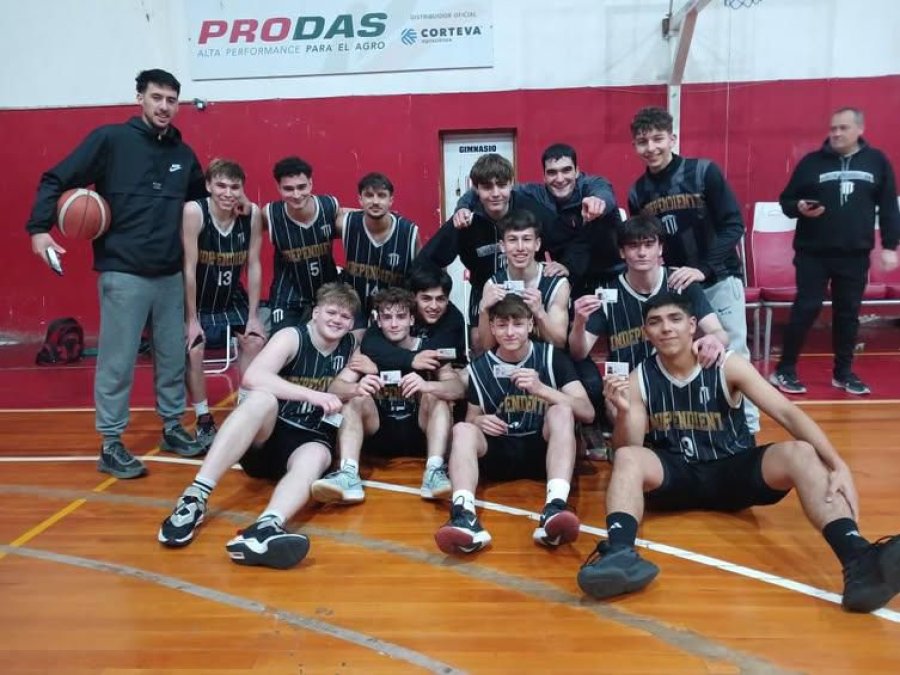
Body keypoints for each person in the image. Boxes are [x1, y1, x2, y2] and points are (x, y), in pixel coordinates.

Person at [576, 292, 900, 614]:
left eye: (675, 319)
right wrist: (621, 413)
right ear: (646, 332)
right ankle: (619, 555)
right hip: (677, 474)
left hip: (732, 470)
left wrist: (838, 464)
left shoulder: (726, 365)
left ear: (692, 326)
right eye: (655, 323)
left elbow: (787, 413)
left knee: (800, 452)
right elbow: (625, 451)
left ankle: (858, 559)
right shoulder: (638, 379)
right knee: (631, 458)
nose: (666, 329)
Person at [25, 68, 205, 479]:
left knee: (171, 356)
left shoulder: (182, 154)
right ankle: (110, 443)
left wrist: (239, 203)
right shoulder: (110, 140)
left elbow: (202, 201)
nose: (164, 106)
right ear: (140, 98)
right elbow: (55, 178)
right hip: (123, 271)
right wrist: (39, 230)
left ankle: (173, 426)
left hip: (169, 273)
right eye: (156, 97)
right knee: (117, 362)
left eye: (171, 100)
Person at [157, 283, 364, 569]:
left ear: (352, 323)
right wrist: (312, 394)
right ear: (315, 313)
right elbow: (252, 376)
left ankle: (266, 528)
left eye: (345, 317)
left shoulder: (351, 346)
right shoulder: (292, 337)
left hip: (309, 441)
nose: (337, 320)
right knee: (260, 399)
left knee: (318, 455)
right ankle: (195, 497)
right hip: (270, 436)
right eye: (331, 312)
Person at [627, 106, 759, 434]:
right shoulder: (637, 192)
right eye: (643, 141)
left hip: (718, 277)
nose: (651, 147)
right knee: (686, 356)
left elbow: (733, 225)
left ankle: (749, 428)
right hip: (677, 287)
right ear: (635, 146)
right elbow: (648, 241)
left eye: (658, 139)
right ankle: (700, 427)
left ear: (672, 138)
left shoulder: (703, 172)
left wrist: (702, 268)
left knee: (731, 354)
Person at [434, 295, 595, 554]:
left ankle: (555, 507)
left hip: (541, 451)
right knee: (462, 430)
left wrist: (541, 389)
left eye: (518, 324)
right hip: (500, 452)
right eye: (502, 325)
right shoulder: (479, 367)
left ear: (530, 325)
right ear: (493, 327)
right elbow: (471, 418)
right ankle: (464, 516)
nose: (510, 332)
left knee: (562, 412)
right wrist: (478, 420)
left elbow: (587, 412)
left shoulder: (552, 357)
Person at [770, 107, 900, 396]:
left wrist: (891, 246)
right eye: (833, 128)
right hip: (812, 253)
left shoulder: (877, 162)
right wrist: (799, 207)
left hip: (854, 254)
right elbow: (787, 200)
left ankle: (843, 373)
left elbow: (890, 206)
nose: (837, 133)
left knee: (848, 314)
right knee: (806, 308)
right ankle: (784, 370)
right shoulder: (811, 163)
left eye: (843, 128)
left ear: (859, 129)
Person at [569, 214, 728, 432]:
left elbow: (720, 333)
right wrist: (579, 322)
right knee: (622, 415)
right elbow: (579, 352)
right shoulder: (607, 294)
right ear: (622, 252)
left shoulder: (682, 283)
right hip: (628, 382)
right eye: (633, 246)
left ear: (660, 248)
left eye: (648, 244)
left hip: (677, 378)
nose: (642, 252)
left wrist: (712, 339)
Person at [310, 287, 464, 504]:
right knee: (355, 399)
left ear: (411, 320)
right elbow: (335, 387)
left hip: (418, 431)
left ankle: (434, 472)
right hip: (379, 429)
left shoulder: (427, 349)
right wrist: (357, 387)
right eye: (387, 317)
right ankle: (348, 475)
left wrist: (427, 385)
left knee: (437, 396)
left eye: (401, 317)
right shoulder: (368, 352)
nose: (394, 324)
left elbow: (458, 388)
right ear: (378, 321)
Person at [419, 153, 560, 353]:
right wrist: (441, 294)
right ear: (475, 189)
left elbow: (567, 241)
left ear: (512, 183)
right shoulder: (464, 221)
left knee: (532, 341)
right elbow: (427, 261)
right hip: (483, 290)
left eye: (501, 185)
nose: (495, 193)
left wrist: (567, 265)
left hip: (527, 290)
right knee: (478, 342)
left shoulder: (531, 209)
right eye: (487, 187)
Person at [456, 143, 623, 294]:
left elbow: (605, 193)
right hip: (573, 278)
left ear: (577, 171)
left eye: (566, 170)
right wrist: (463, 207)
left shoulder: (592, 185)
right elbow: (488, 186)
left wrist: (597, 202)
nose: (559, 179)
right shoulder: (533, 193)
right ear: (543, 176)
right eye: (552, 172)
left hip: (610, 273)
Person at [182, 159, 266, 447]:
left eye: (234, 187)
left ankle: (245, 410)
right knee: (193, 348)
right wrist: (191, 320)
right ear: (208, 186)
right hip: (200, 298)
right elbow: (189, 269)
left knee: (255, 341)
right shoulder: (194, 211)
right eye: (220, 185)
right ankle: (204, 419)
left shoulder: (252, 214)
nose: (228, 193)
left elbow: (254, 265)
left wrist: (254, 315)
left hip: (231, 295)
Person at [262, 156, 343, 333]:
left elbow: (361, 220)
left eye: (301, 187)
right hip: (288, 294)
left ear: (311, 183)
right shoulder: (270, 214)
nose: (296, 195)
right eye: (288, 189)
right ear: (278, 187)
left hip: (327, 290)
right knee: (283, 344)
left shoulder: (330, 206)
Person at [477, 209, 570, 350]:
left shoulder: (557, 284)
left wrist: (540, 312)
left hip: (545, 362)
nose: (520, 248)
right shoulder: (492, 285)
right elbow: (486, 348)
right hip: (508, 361)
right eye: (513, 240)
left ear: (537, 244)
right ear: (503, 246)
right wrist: (483, 310)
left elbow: (559, 343)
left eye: (526, 239)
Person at [341, 172, 421, 331]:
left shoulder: (409, 232)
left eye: (382, 196)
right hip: (355, 311)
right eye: (369, 195)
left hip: (394, 315)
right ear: (360, 199)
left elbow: (425, 276)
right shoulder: (346, 223)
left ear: (391, 200)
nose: (375, 201)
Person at [360, 260, 467, 373]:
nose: (434, 306)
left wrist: (379, 368)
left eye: (441, 299)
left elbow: (432, 358)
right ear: (413, 297)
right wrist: (410, 359)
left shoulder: (454, 320)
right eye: (426, 298)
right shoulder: (402, 309)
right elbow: (370, 343)